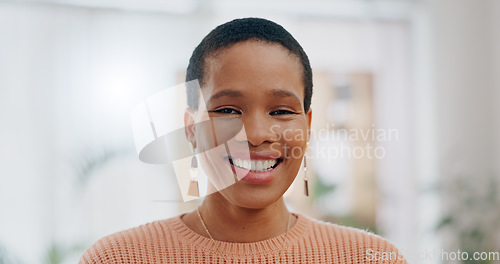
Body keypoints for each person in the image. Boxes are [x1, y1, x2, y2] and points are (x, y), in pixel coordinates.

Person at [80, 17, 407, 264]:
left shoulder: (371, 258)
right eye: (227, 109)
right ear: (191, 128)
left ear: (307, 127)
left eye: (280, 110)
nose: (256, 134)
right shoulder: (117, 258)